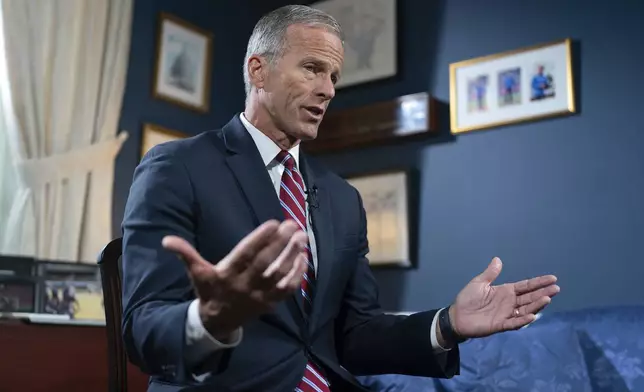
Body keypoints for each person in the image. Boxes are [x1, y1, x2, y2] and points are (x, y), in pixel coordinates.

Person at [120, 5, 560, 392]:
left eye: (333, 76)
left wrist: (448, 324)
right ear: (258, 70)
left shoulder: (342, 198)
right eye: (311, 68)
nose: (328, 89)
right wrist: (210, 317)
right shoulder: (178, 166)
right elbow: (142, 329)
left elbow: (356, 334)